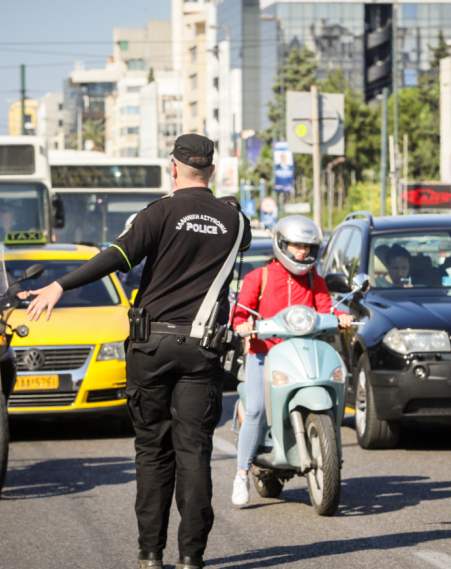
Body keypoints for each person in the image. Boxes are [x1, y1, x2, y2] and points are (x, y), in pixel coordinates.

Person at [24, 134, 251, 569]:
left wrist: (60, 284)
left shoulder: (159, 213)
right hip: (202, 348)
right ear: (212, 168)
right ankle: (192, 557)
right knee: (194, 451)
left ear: (174, 167)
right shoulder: (235, 221)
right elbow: (235, 243)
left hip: (151, 347)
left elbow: (115, 256)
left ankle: (150, 555)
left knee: (152, 450)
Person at [231, 216, 352, 506]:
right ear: (282, 245)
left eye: (308, 247)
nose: (302, 252)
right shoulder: (258, 277)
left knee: (333, 380)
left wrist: (341, 317)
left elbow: (326, 309)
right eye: (297, 246)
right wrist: (242, 324)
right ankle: (241, 474)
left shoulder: (315, 280)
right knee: (257, 409)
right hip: (264, 352)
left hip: (303, 349)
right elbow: (241, 311)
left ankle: (325, 447)